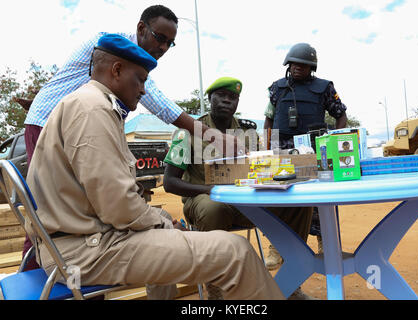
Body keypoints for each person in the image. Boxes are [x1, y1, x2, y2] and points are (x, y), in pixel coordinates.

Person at [25, 34, 285, 300]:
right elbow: (120, 207)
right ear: (116, 70)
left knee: (167, 243)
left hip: (79, 241)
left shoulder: (89, 104)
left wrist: (160, 221)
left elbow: (113, 202)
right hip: (85, 252)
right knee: (236, 252)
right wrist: (164, 225)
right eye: (141, 79)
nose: (143, 90)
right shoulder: (94, 110)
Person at [21, 4, 239, 271]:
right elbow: (157, 102)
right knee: (51, 207)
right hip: (47, 122)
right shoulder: (114, 46)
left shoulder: (240, 127)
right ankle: (38, 272)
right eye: (160, 38)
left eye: (170, 44)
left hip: (69, 122)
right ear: (140, 29)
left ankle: (79, 266)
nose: (163, 48)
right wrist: (211, 136)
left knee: (85, 207)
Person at [163, 77, 315, 300]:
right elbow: (169, 182)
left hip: (245, 203)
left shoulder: (247, 133)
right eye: (221, 96)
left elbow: (260, 170)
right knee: (215, 207)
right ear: (210, 98)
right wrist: (209, 189)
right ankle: (216, 291)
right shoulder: (188, 132)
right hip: (204, 201)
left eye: (232, 97)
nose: (227, 101)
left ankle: (291, 284)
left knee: (300, 204)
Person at [263, 42, 348, 267]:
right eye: (294, 63)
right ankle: (277, 247)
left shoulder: (325, 87)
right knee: (281, 199)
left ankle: (327, 243)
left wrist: (335, 142)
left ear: (312, 67)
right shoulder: (276, 88)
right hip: (283, 153)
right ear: (288, 64)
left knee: (323, 199)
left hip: (316, 152)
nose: (298, 67)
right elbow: (269, 119)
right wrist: (267, 147)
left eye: (304, 64)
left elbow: (340, 114)